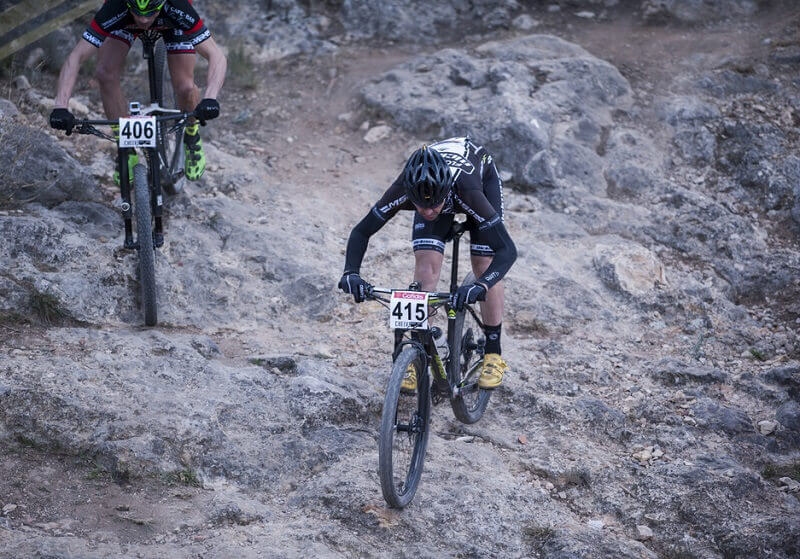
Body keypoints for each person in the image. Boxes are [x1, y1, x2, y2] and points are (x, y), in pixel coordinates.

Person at [338, 137, 517, 390]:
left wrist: (482, 285)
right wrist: (351, 273)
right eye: (422, 205)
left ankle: (493, 354)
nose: (429, 211)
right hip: (439, 189)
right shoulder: (404, 187)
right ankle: (415, 355)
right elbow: (361, 232)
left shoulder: (467, 191)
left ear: (446, 193)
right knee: (426, 269)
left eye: (435, 205)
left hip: (479, 180)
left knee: (484, 262)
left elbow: (507, 250)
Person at [48, 0, 227, 182]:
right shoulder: (115, 7)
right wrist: (60, 106)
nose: (143, 20)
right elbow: (76, 56)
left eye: (150, 13)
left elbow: (216, 56)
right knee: (105, 74)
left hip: (172, 22)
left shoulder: (177, 5)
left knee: (185, 87)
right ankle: (125, 148)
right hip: (125, 21)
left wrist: (210, 98)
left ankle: (191, 133)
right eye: (138, 12)